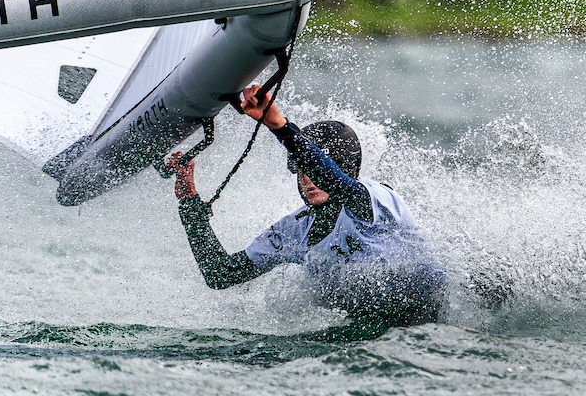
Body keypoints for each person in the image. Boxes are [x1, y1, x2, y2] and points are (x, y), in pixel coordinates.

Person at [169, 84, 445, 326]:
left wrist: (278, 125)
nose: (308, 179)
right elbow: (221, 274)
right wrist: (189, 204)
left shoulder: (372, 201)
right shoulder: (295, 230)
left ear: (344, 169)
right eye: (301, 171)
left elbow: (332, 178)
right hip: (370, 327)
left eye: (314, 170)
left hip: (426, 319)